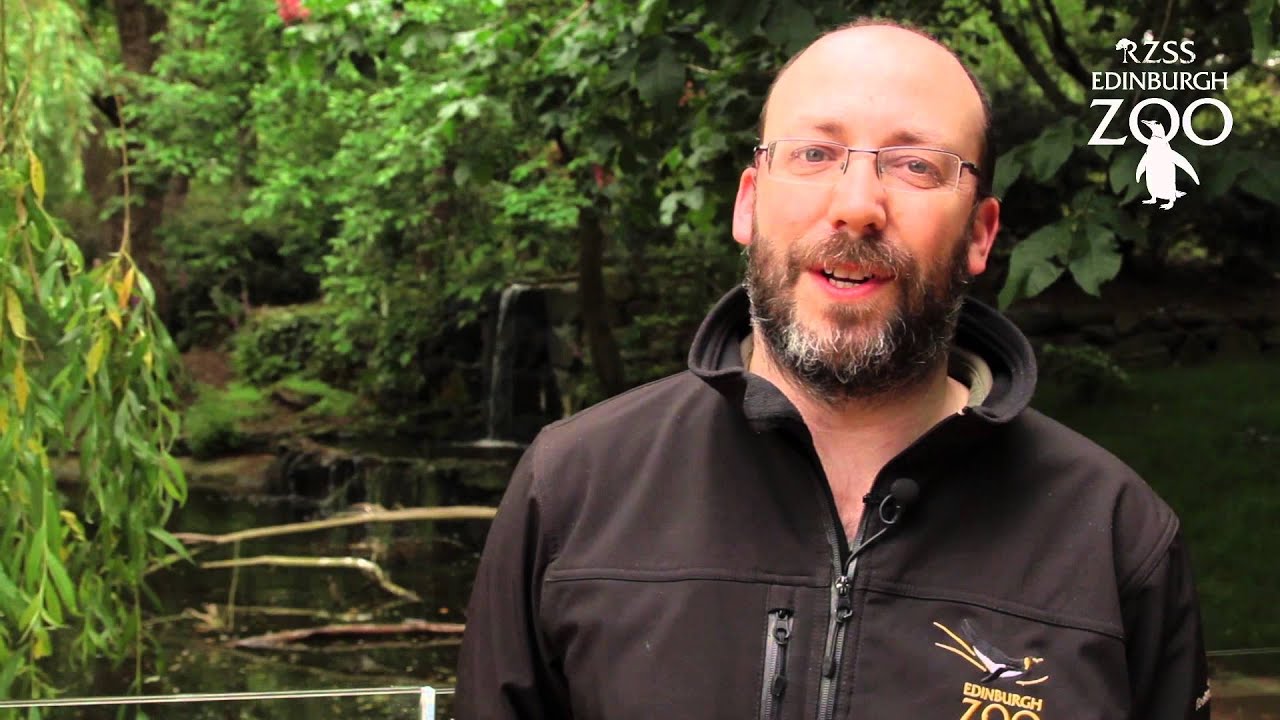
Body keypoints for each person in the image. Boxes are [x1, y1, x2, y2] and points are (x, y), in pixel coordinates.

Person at [455, 19, 1210, 720]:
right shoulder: (572, 489)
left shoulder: (1117, 540)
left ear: (981, 234)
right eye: (815, 154)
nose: (857, 205)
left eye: (916, 165)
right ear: (749, 203)